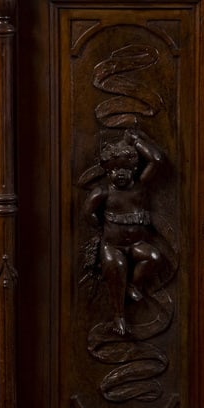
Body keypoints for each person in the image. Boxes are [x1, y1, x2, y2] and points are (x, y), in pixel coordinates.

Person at [82, 130, 165, 335]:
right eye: (114, 170)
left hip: (136, 244)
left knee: (153, 257)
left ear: (135, 169)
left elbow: (156, 159)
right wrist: (100, 228)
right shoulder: (103, 191)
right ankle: (119, 316)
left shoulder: (140, 186)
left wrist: (135, 141)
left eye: (125, 169)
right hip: (113, 245)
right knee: (116, 268)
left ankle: (133, 285)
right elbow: (88, 211)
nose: (119, 173)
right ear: (107, 172)